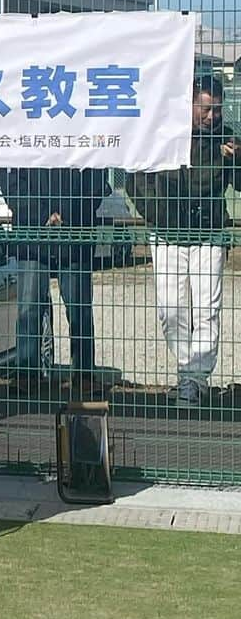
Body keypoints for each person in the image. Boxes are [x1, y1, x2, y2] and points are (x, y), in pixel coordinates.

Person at [129, 76, 241, 404]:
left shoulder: (227, 139)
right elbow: (143, 180)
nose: (211, 116)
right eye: (205, 109)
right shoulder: (165, 136)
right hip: (166, 233)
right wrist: (156, 215)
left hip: (209, 234)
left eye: (216, 110)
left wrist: (237, 159)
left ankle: (195, 378)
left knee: (207, 308)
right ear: (189, 105)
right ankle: (186, 369)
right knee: (170, 309)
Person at [0, 167, 109, 395]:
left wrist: (65, 214)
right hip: (32, 236)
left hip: (76, 233)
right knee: (28, 308)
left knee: (80, 311)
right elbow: (10, 181)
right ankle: (27, 373)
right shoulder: (22, 134)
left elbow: (96, 180)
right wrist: (42, 215)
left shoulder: (86, 131)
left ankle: (84, 374)